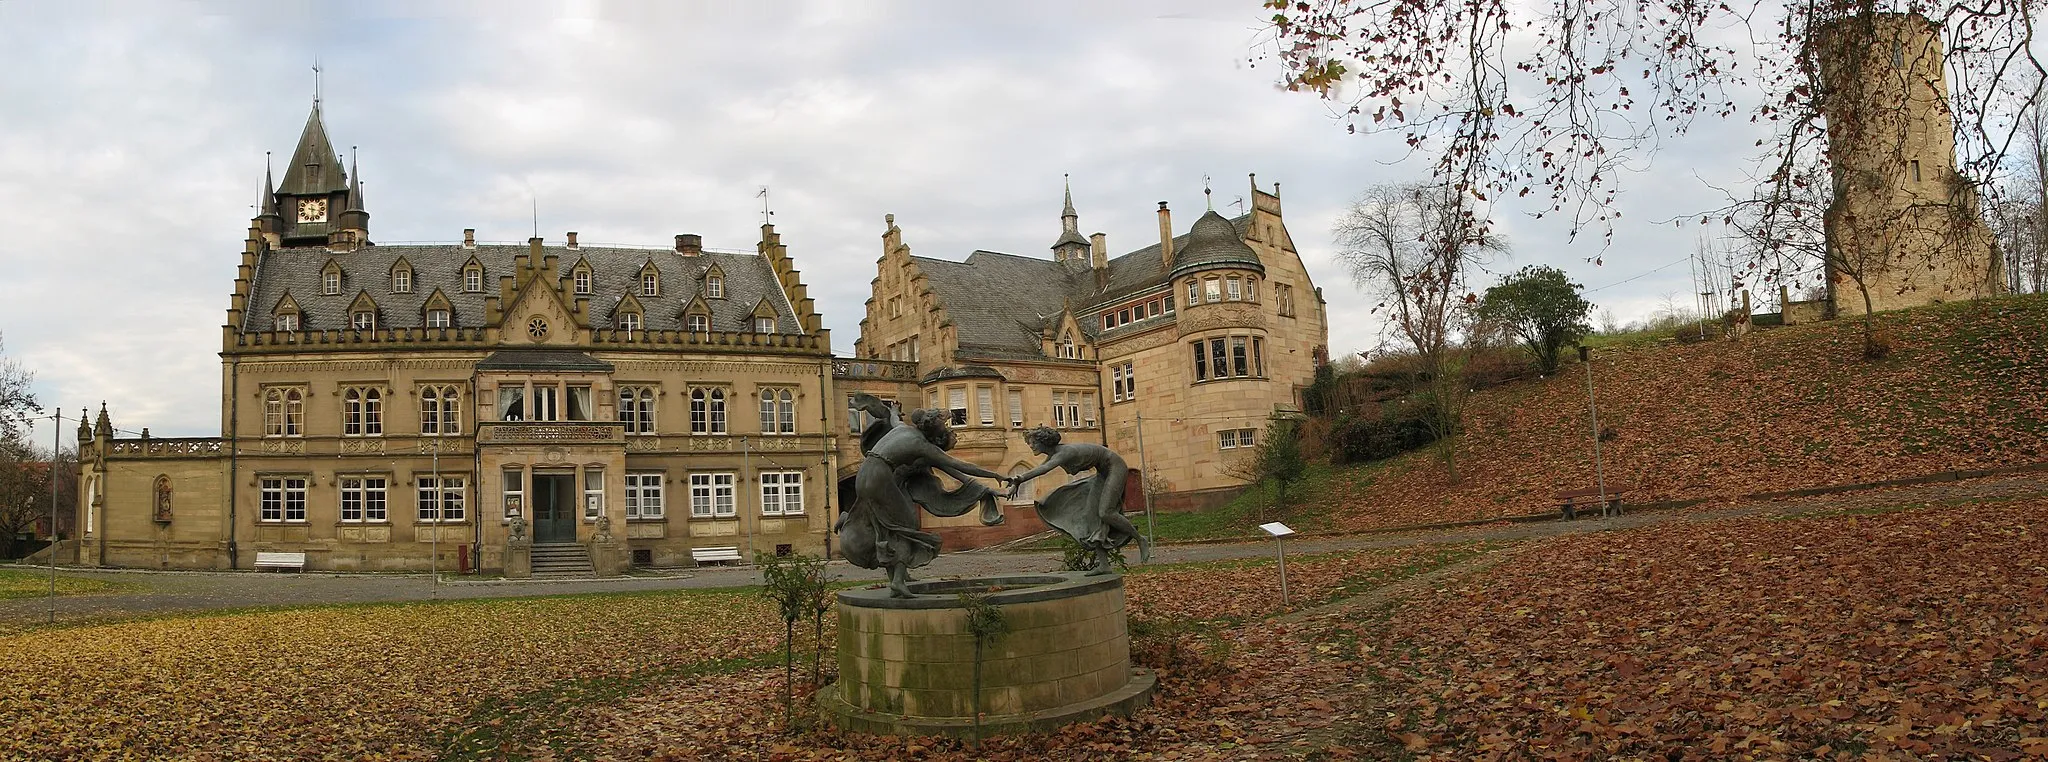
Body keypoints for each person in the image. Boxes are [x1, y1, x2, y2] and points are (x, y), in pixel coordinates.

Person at [838, 393, 1005, 597]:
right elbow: (960, 466)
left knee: (887, 527)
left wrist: (893, 411)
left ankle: (853, 523)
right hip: (880, 475)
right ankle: (898, 581)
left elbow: (894, 419)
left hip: (865, 472)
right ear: (936, 436)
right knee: (907, 527)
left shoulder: (904, 428)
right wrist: (994, 474)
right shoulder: (923, 447)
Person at [1006, 426, 1150, 575]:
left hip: (1115, 468)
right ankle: (1104, 565)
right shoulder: (1055, 453)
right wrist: (1017, 481)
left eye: (1034, 442)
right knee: (1091, 518)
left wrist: (1020, 479)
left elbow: (1046, 468)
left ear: (1044, 442)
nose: (1031, 445)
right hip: (1102, 473)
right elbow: (1041, 467)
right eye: (1030, 442)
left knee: (1106, 513)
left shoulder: (1064, 453)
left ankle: (1140, 539)